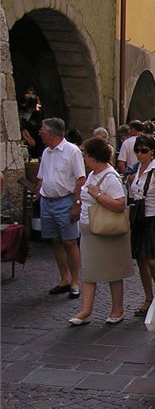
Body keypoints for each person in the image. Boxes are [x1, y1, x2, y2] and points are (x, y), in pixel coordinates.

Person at [68, 137, 134, 326]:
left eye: (85, 155)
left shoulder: (110, 177)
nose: (83, 158)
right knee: (89, 271)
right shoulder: (93, 174)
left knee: (113, 271)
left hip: (106, 230)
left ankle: (117, 309)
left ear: (93, 156)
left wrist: (97, 193)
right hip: (90, 230)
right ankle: (85, 310)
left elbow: (120, 204)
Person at [36, 118, 86, 298]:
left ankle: (75, 281)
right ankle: (64, 278)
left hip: (65, 200)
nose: (40, 132)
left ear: (51, 132)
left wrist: (77, 203)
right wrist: (39, 191)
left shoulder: (72, 151)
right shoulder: (47, 152)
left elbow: (81, 178)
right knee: (55, 240)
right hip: (47, 201)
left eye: (42, 129)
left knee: (70, 241)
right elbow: (41, 176)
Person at [128, 135, 155, 315]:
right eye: (137, 150)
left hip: (152, 217)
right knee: (141, 259)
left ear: (152, 152)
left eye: (144, 151)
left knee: (153, 261)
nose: (140, 154)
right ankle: (149, 298)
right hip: (139, 218)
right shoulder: (136, 171)